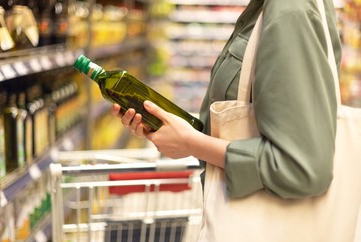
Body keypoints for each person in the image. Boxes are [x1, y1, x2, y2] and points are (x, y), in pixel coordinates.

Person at [111, 0, 341, 200]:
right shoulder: (264, 8)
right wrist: (176, 131)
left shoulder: (290, 9)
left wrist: (191, 143)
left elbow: (302, 169)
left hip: (266, 240)